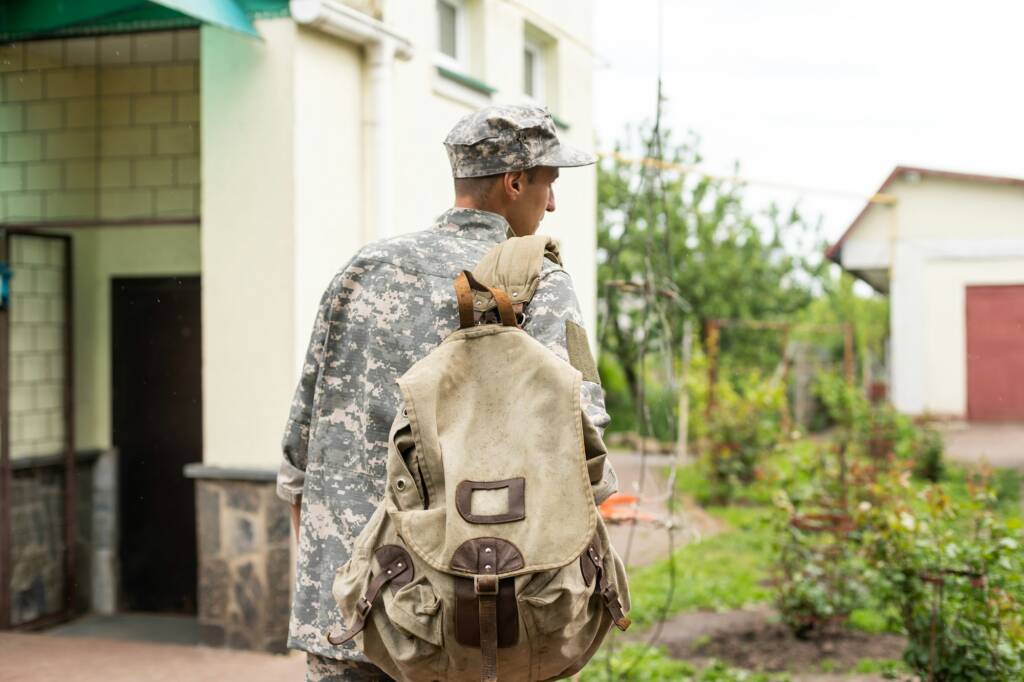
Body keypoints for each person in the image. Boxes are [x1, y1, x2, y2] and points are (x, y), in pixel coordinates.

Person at [276, 104, 617, 682]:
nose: (552, 204)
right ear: (514, 183)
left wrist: (337, 575)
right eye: (548, 184)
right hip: (468, 629)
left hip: (347, 617)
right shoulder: (538, 283)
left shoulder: (359, 271)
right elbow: (586, 443)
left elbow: (297, 459)